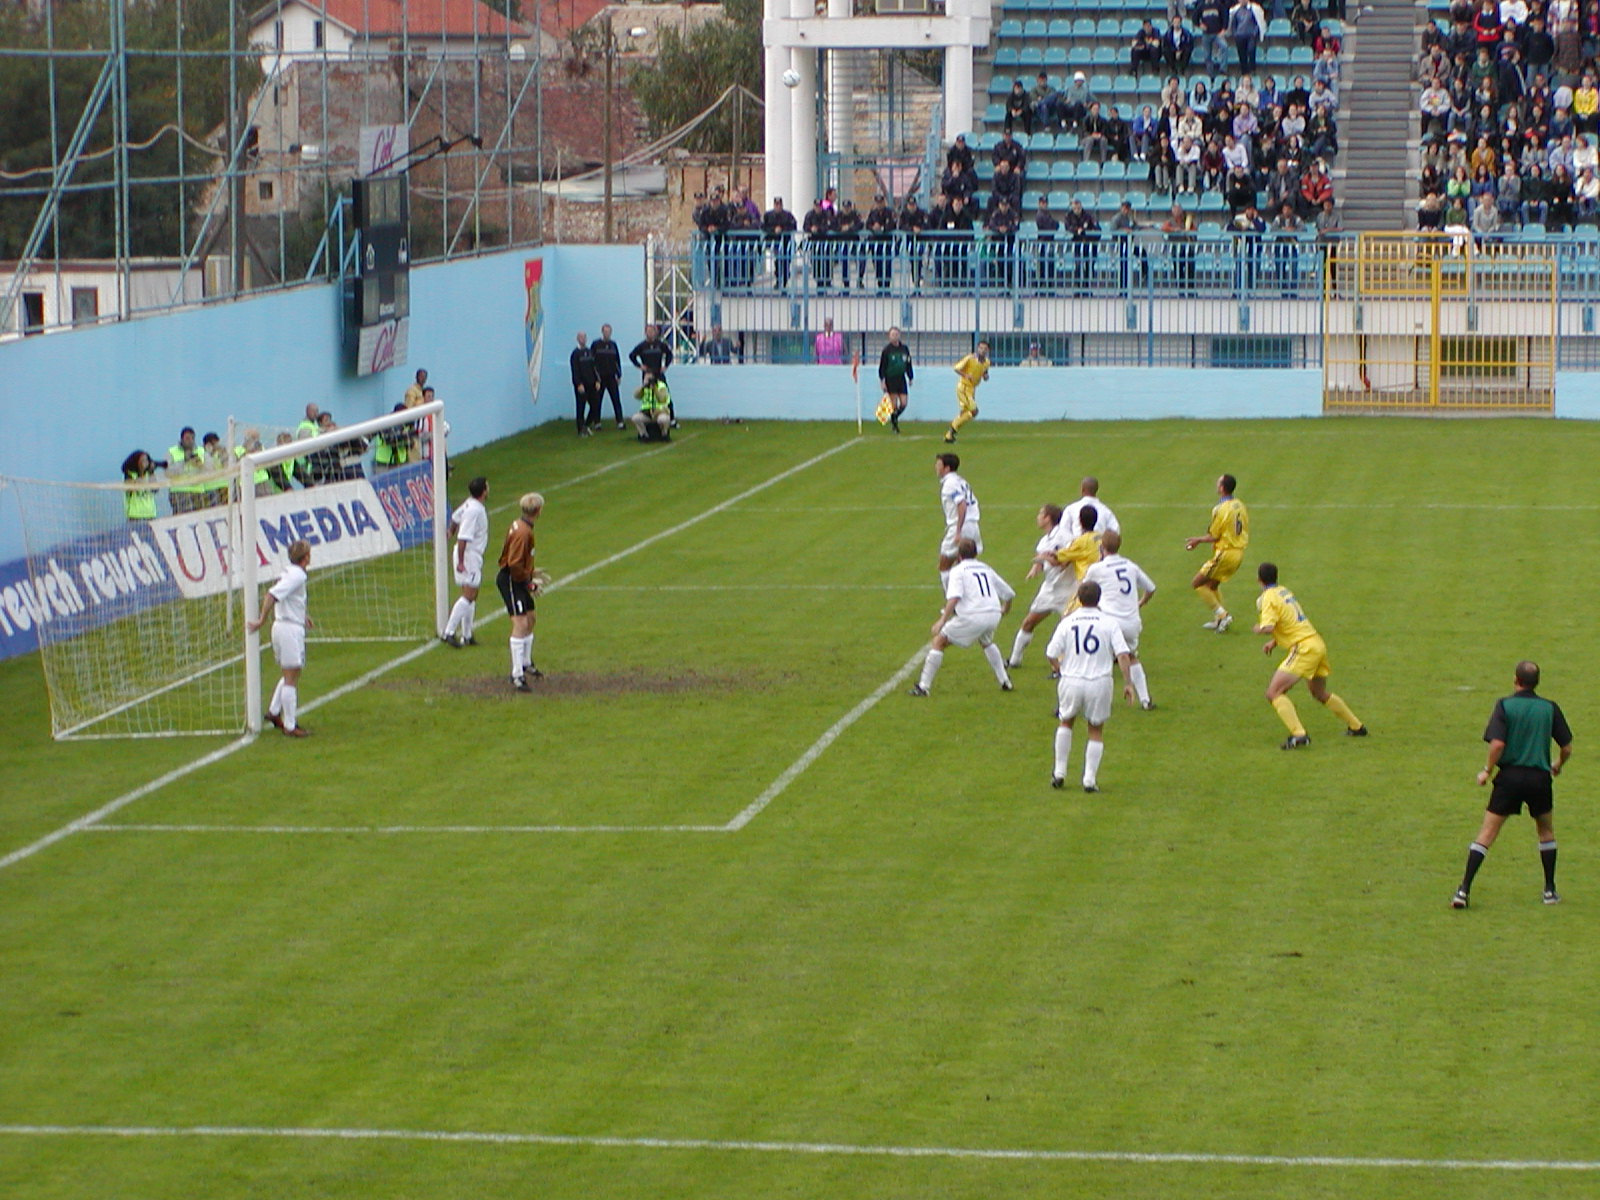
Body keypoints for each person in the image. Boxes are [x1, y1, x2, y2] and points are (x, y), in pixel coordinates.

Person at [1451, 660, 1573, 908]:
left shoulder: (1505, 705)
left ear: (1516, 680)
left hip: (1510, 779)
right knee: (1545, 831)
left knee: (1487, 833)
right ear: (1536, 682)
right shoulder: (1549, 708)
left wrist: (1487, 771)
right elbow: (1567, 747)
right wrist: (1558, 764)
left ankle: (1463, 890)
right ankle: (1550, 891)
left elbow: (1497, 744)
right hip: (1539, 779)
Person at [1251, 561, 1366, 749]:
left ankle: (1299, 735)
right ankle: (1356, 726)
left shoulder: (1268, 598)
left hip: (1304, 648)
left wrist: (1258, 628)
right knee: (1319, 693)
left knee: (1273, 693)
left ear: (1259, 580)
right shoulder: (1283, 591)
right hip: (1316, 643)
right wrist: (1274, 642)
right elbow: (1290, 621)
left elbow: (1269, 626)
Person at [1045, 580, 1137, 792]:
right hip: (1099, 682)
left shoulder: (1067, 622)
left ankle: (1059, 773)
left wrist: (1061, 670)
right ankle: (1089, 779)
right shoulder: (1109, 622)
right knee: (1095, 729)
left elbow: (1051, 653)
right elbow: (1123, 655)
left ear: (1078, 598)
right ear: (1099, 598)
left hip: (1071, 680)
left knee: (1066, 722)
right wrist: (1128, 683)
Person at [908, 538, 1015, 697]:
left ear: (958, 555)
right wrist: (1005, 608)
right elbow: (1009, 593)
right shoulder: (986, 568)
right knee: (986, 642)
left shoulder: (958, 571)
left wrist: (942, 620)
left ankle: (923, 687)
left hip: (973, 615)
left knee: (939, 642)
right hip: (993, 614)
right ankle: (1005, 681)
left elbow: (954, 597)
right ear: (976, 553)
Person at [1082, 529, 1157, 709]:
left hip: (1109, 622)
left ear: (1102, 547)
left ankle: (1075, 701)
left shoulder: (1096, 569)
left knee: (1090, 658)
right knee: (1131, 657)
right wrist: (1141, 603)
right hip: (1131, 623)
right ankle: (1145, 700)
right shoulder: (1131, 566)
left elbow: (1083, 591)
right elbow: (1151, 588)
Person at [247, 538, 313, 737]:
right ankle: (290, 726)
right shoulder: (298, 576)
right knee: (291, 677)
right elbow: (271, 595)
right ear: (306, 557)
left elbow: (289, 599)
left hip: (287, 626)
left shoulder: (289, 572)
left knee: (292, 672)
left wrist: (302, 615)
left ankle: (274, 711)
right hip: (288, 630)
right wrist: (261, 620)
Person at [1007, 503, 1075, 670]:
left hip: (1067, 590)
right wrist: (1035, 567)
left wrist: (1051, 560)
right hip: (1049, 589)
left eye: (1040, 514)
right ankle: (1014, 660)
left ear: (1048, 518)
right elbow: (1041, 556)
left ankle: (1069, 664)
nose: (1037, 517)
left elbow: (1068, 558)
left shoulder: (1065, 536)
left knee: (1070, 629)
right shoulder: (1045, 540)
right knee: (1029, 622)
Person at [1184, 472, 1249, 631]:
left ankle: (1223, 615)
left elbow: (1213, 536)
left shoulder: (1220, 509)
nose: (1216, 484)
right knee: (1212, 585)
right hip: (1239, 552)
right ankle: (1219, 620)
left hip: (1226, 553)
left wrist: (1197, 540)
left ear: (1222, 488)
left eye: (1218, 482)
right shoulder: (1239, 505)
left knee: (1197, 583)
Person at [496, 492, 545, 691]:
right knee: (521, 623)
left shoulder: (520, 525)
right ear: (538, 510)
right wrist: (528, 582)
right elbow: (514, 563)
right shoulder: (523, 533)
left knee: (530, 618)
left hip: (518, 577)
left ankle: (525, 662)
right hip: (511, 580)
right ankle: (517, 674)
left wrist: (531, 572)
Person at [442, 476, 490, 648]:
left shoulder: (469, 504)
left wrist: (450, 531)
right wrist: (461, 562)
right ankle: (449, 632)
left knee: (471, 595)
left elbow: (455, 517)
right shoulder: (474, 510)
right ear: (483, 491)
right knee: (469, 594)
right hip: (469, 555)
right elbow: (463, 537)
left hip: (469, 555)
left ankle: (467, 635)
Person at [934, 452, 981, 589]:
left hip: (960, 526)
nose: (936, 467)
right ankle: (970, 595)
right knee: (965, 566)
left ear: (947, 468)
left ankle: (953, 598)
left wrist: (958, 531)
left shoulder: (950, 484)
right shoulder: (961, 481)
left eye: (939, 464)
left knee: (944, 564)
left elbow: (961, 504)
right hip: (973, 526)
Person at [943, 340, 990, 444]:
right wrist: (965, 375)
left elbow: (984, 372)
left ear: (988, 351)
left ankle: (949, 435)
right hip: (964, 387)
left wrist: (985, 376)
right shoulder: (970, 358)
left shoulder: (986, 362)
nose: (982, 350)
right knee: (974, 411)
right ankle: (952, 428)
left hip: (972, 389)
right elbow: (956, 368)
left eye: (985, 349)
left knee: (965, 413)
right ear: (977, 348)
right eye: (981, 348)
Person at [629, 323, 675, 426]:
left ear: (655, 332)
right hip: (647, 375)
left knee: (665, 396)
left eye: (652, 331)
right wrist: (640, 366)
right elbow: (632, 356)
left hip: (659, 374)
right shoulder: (642, 346)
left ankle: (671, 419)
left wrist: (665, 366)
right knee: (648, 397)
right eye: (648, 331)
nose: (650, 333)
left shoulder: (660, 345)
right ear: (645, 333)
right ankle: (648, 416)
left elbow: (669, 354)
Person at [878, 327, 914, 433]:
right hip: (891, 379)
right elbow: (882, 367)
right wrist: (882, 381)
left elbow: (908, 363)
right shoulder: (887, 350)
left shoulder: (904, 349)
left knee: (904, 403)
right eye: (892, 335)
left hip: (901, 378)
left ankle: (894, 417)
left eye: (896, 334)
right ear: (889, 336)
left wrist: (910, 377)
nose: (894, 336)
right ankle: (894, 426)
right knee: (893, 404)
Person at [591, 324, 627, 429]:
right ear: (602, 332)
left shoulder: (613, 345)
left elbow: (617, 361)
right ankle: (597, 423)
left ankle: (620, 422)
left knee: (616, 400)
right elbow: (592, 362)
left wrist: (619, 375)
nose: (607, 333)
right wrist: (595, 378)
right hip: (600, 378)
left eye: (609, 332)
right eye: (605, 331)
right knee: (598, 400)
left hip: (611, 377)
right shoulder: (596, 344)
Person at [167, 427, 205, 514]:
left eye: (192, 438)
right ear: (181, 439)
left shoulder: (201, 451)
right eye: (187, 438)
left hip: (197, 490)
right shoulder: (172, 451)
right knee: (182, 517)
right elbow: (168, 472)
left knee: (199, 517)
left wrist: (199, 464)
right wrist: (184, 461)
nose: (190, 441)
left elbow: (208, 470)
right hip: (179, 490)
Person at [763, 196, 798, 290]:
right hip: (775, 242)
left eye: (779, 205)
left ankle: (785, 281)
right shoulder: (768, 215)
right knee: (778, 261)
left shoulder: (788, 215)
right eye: (776, 205)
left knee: (786, 261)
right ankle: (779, 280)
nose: (778, 207)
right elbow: (764, 227)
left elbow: (793, 226)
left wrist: (782, 229)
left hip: (786, 242)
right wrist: (773, 230)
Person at [570, 332, 601, 434]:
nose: (583, 339)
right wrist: (578, 384)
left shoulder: (590, 352)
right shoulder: (575, 354)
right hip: (582, 385)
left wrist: (597, 380)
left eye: (584, 337)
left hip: (592, 383)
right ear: (577, 339)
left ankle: (586, 425)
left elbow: (595, 367)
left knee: (595, 405)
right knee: (581, 407)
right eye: (581, 337)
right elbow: (575, 370)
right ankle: (580, 429)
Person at [631, 371, 672, 442]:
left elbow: (662, 399)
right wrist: (643, 386)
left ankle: (664, 434)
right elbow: (636, 396)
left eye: (649, 379)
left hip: (660, 412)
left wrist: (655, 388)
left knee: (663, 420)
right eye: (646, 378)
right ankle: (644, 435)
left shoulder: (661, 386)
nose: (648, 380)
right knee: (636, 418)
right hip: (647, 413)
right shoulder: (644, 388)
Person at [120, 450, 161, 520]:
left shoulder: (149, 474)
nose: (145, 463)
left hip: (150, 513)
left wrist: (151, 472)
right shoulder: (129, 475)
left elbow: (155, 490)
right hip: (135, 514)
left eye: (146, 460)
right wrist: (141, 472)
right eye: (142, 460)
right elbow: (130, 489)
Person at [373, 404, 413, 469]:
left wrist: (407, 437)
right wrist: (402, 436)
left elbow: (410, 444)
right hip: (383, 462)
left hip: (400, 461)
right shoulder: (386, 424)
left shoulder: (406, 425)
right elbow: (389, 439)